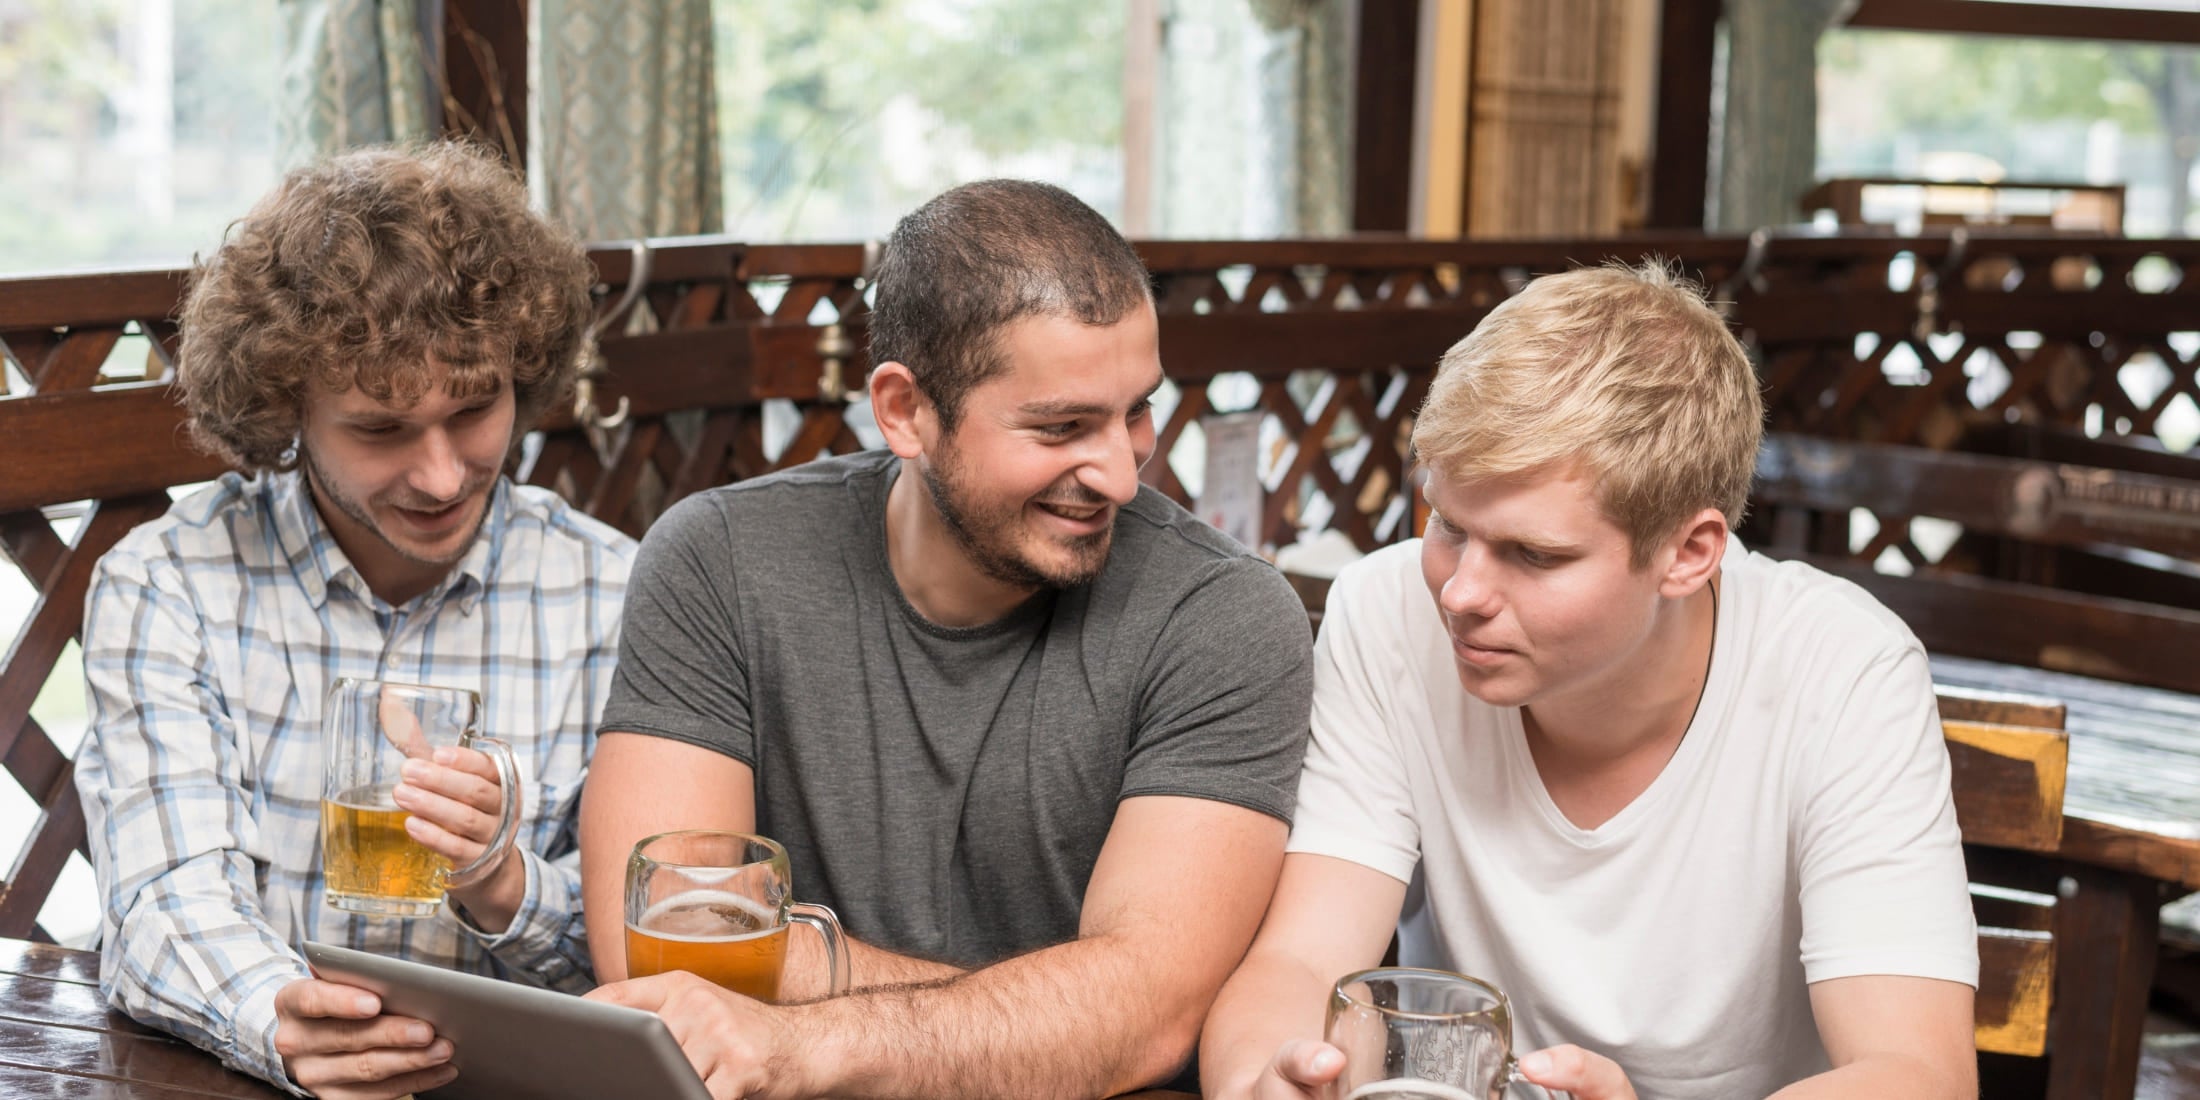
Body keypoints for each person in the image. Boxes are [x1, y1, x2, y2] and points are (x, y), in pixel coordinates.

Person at [577, 179, 1315, 1100]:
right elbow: (662, 962)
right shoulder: (719, 560)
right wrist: (1052, 1013)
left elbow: (1147, 1020)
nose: (1122, 474)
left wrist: (808, 995)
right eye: (1061, 427)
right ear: (903, 411)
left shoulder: (1225, 616)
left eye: (1135, 411)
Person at [1200, 262, 1978, 1100]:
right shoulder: (1387, 609)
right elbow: (1300, 957)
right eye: (1447, 526)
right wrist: (1262, 1082)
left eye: (1535, 555)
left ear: (1689, 553)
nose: (1460, 594)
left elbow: (1917, 1075)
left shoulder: (1843, 667)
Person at [75, 142, 636, 1099]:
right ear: (286, 407)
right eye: (380, 429)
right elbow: (166, 897)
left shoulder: (610, 591)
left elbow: (649, 948)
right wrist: (276, 1017)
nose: (442, 474)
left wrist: (504, 883)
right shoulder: (171, 582)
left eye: (474, 409)